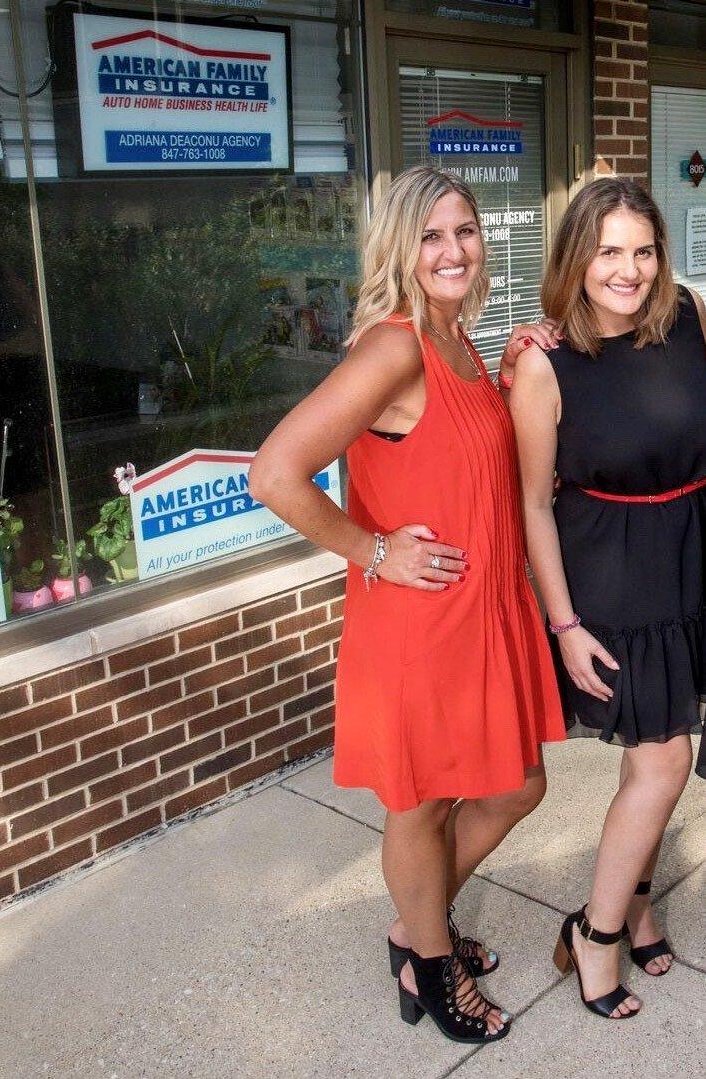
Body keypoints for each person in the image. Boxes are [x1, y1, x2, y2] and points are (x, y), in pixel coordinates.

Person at [249, 166, 566, 1044]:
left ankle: (411, 925)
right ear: (399, 249)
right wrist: (375, 550)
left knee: (514, 785)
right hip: (422, 626)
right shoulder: (392, 345)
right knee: (421, 804)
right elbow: (274, 473)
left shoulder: (459, 340)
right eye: (430, 236)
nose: (452, 249)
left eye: (463, 230)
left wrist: (508, 376)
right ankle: (429, 963)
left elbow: (458, 455)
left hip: (483, 616)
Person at [510, 178, 705, 1022]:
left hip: (691, 554)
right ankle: (592, 932)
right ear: (575, 260)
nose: (626, 269)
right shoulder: (542, 363)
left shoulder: (690, 316)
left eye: (641, 249)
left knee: (650, 760)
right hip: (611, 574)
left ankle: (634, 902)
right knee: (666, 759)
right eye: (606, 251)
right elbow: (530, 504)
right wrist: (563, 624)